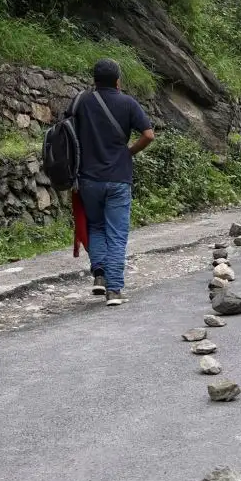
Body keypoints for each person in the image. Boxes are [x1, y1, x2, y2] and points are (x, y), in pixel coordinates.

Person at [75, 59, 154, 306]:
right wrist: (128, 152)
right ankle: (114, 290)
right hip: (119, 178)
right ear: (118, 81)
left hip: (88, 179)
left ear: (95, 80)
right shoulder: (127, 103)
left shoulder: (82, 102)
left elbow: (67, 133)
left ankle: (99, 276)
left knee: (96, 227)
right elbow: (148, 135)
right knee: (117, 235)